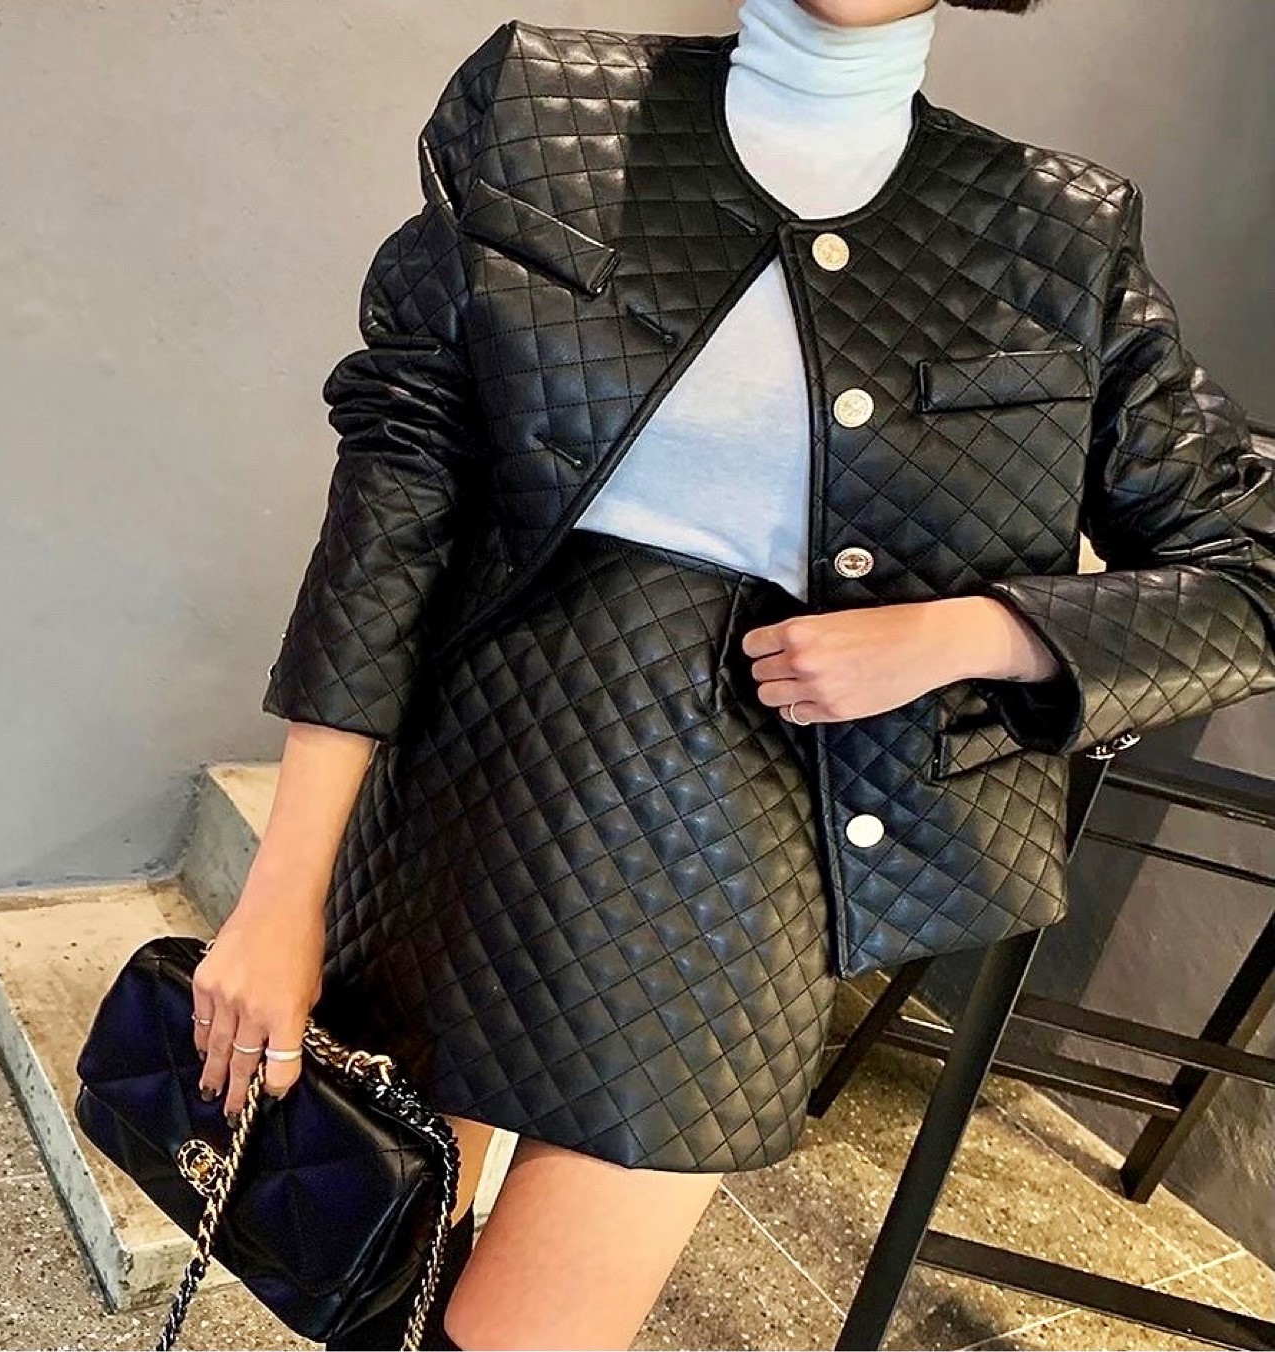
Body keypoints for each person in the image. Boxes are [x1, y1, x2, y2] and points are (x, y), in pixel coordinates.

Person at [191, 0, 1275, 1346]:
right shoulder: (540, 103)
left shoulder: (1058, 231)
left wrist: (973, 631)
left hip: (751, 868)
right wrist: (281, 892)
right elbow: (397, 497)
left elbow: (1250, 572)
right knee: (365, 1278)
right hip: (471, 798)